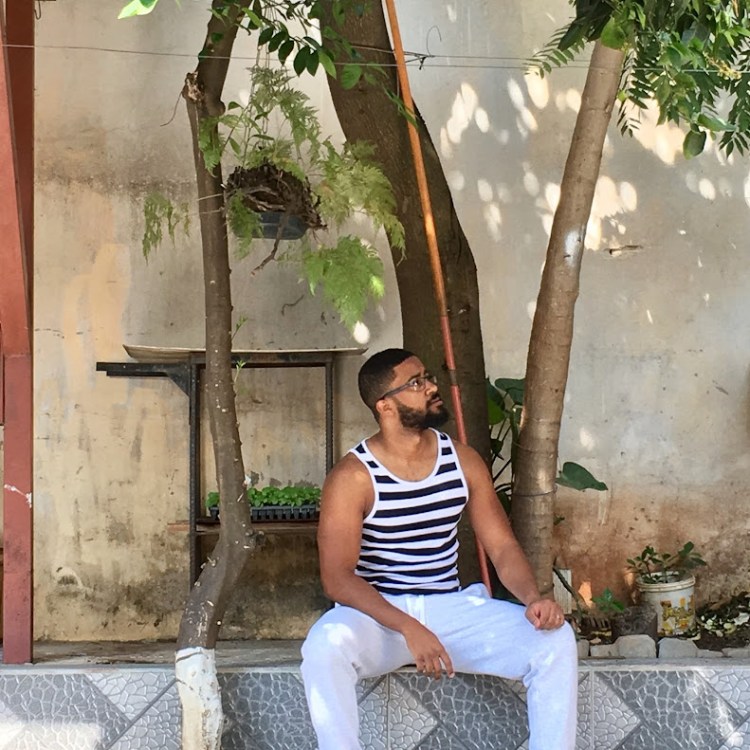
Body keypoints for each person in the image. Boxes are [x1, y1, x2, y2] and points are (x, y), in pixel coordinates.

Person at [301, 348, 577, 750]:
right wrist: (409, 627)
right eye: (415, 383)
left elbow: (501, 546)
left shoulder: (462, 460)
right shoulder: (353, 477)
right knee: (324, 646)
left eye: (427, 377)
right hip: (377, 618)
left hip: (450, 610)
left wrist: (533, 598)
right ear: (384, 406)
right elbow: (337, 579)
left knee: (554, 640)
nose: (431, 387)